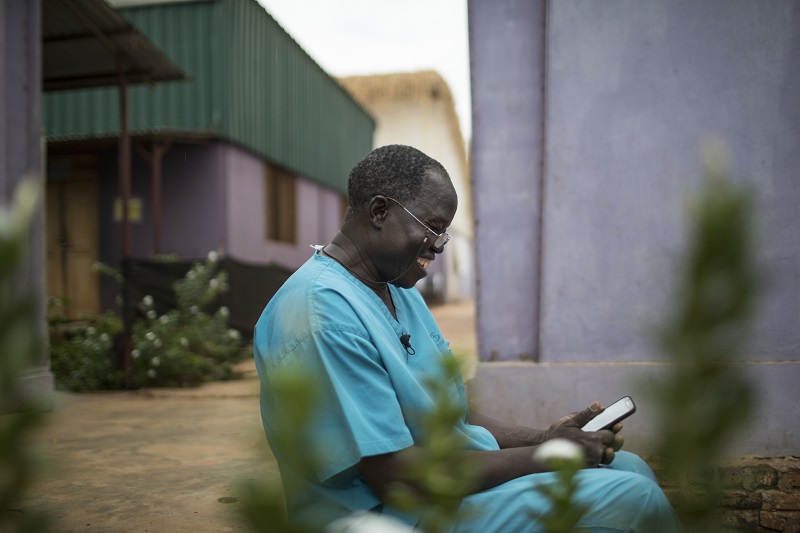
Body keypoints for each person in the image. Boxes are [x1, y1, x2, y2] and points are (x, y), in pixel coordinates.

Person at [254, 144, 682, 531]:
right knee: (633, 500)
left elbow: (452, 417)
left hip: (449, 487)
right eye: (432, 227)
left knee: (630, 468)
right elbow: (395, 478)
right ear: (380, 212)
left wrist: (543, 438)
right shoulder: (321, 313)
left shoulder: (397, 289)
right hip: (391, 516)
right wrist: (550, 456)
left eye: (446, 233)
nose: (439, 246)